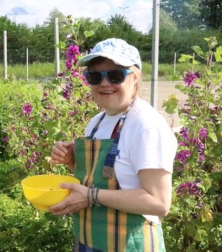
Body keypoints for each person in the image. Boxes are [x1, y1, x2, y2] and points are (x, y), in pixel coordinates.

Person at [49, 38, 178, 251]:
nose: (104, 83)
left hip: (129, 244)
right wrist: (72, 162)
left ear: (135, 78)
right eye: (95, 76)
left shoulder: (146, 125)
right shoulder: (96, 122)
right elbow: (105, 178)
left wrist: (91, 197)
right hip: (89, 239)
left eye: (116, 75)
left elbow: (158, 203)